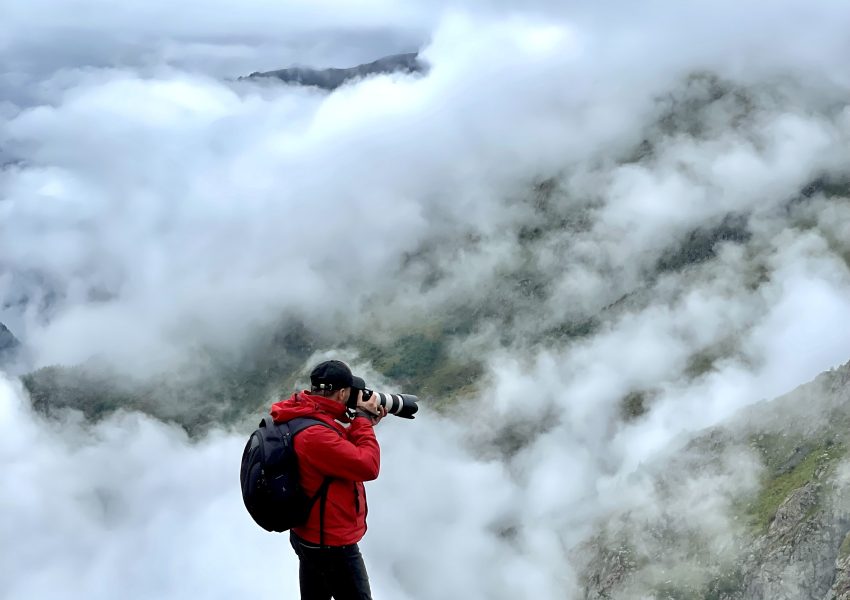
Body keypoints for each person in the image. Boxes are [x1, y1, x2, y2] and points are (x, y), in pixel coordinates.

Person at [270, 359, 387, 600]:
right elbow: (368, 466)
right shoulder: (315, 434)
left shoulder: (302, 414)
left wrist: (360, 422)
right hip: (332, 544)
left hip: (308, 534)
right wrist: (363, 422)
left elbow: (336, 452)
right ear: (343, 392)